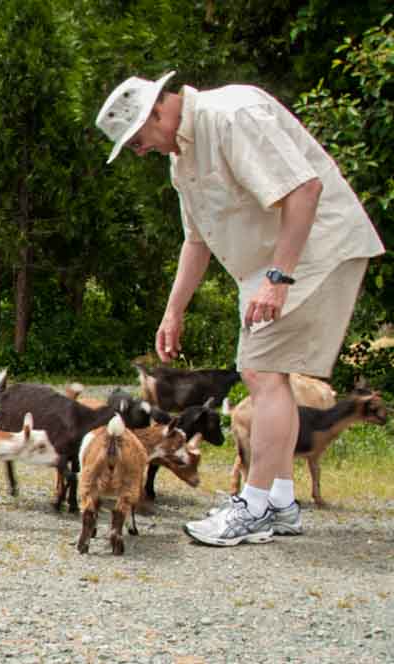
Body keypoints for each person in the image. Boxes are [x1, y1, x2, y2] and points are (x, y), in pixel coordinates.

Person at [94, 71, 385, 546]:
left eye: (136, 139)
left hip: (312, 253)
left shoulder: (231, 116)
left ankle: (253, 508)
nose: (139, 150)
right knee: (272, 376)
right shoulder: (181, 161)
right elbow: (196, 239)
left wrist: (279, 277)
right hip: (276, 267)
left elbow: (303, 191)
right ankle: (281, 504)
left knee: (260, 373)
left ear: (157, 112)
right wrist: (173, 311)